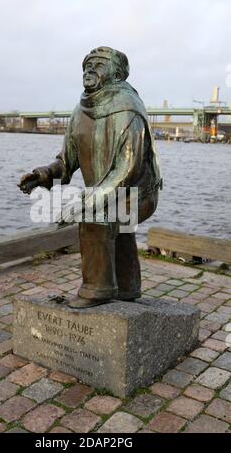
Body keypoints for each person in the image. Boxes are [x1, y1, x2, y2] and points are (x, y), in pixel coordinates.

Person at [18, 46, 162, 308]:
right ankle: (128, 287)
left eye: (99, 64)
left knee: (96, 216)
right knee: (113, 222)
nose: (90, 69)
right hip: (108, 192)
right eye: (87, 64)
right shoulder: (79, 110)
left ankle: (98, 289)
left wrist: (91, 200)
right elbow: (66, 160)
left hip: (137, 193)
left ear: (117, 74)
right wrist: (45, 174)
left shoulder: (129, 109)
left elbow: (127, 170)